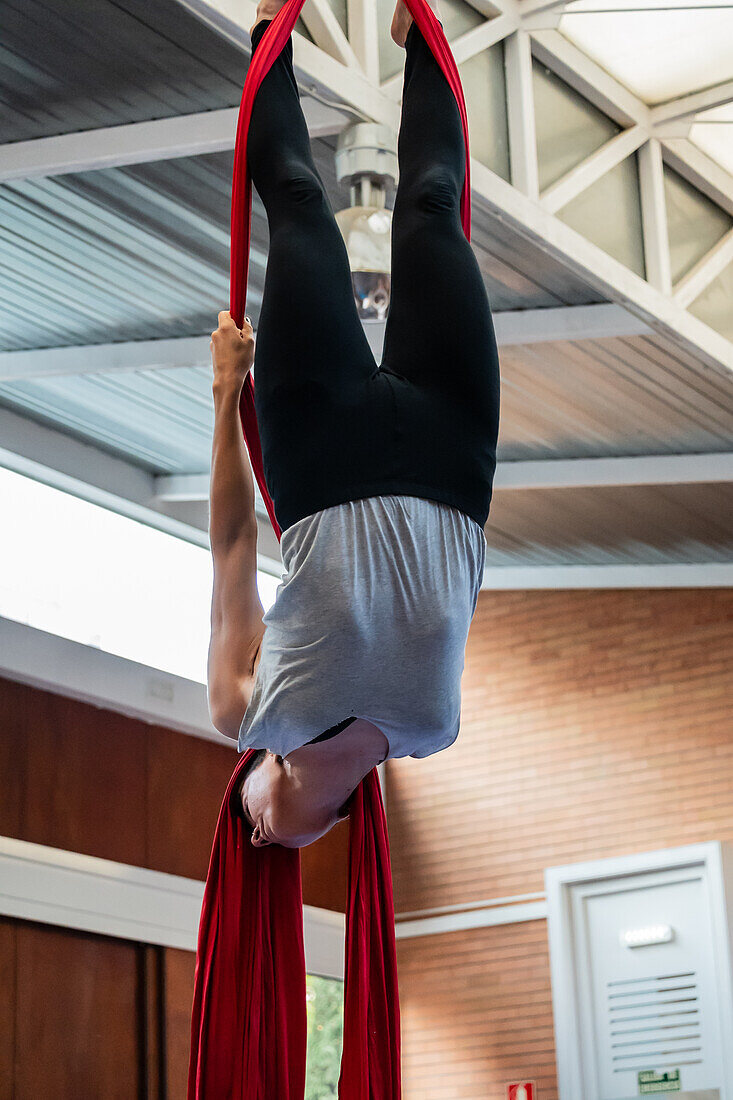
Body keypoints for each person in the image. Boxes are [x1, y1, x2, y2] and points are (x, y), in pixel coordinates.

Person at [207, 0, 500, 849]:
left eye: (244, 829)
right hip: (450, 458)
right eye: (257, 835)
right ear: (322, 824)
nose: (252, 827)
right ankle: (420, 35)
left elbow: (231, 545)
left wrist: (227, 398)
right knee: (433, 208)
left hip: (322, 454)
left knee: (299, 206)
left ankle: (273, 28)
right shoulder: (430, 733)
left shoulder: (246, 711)